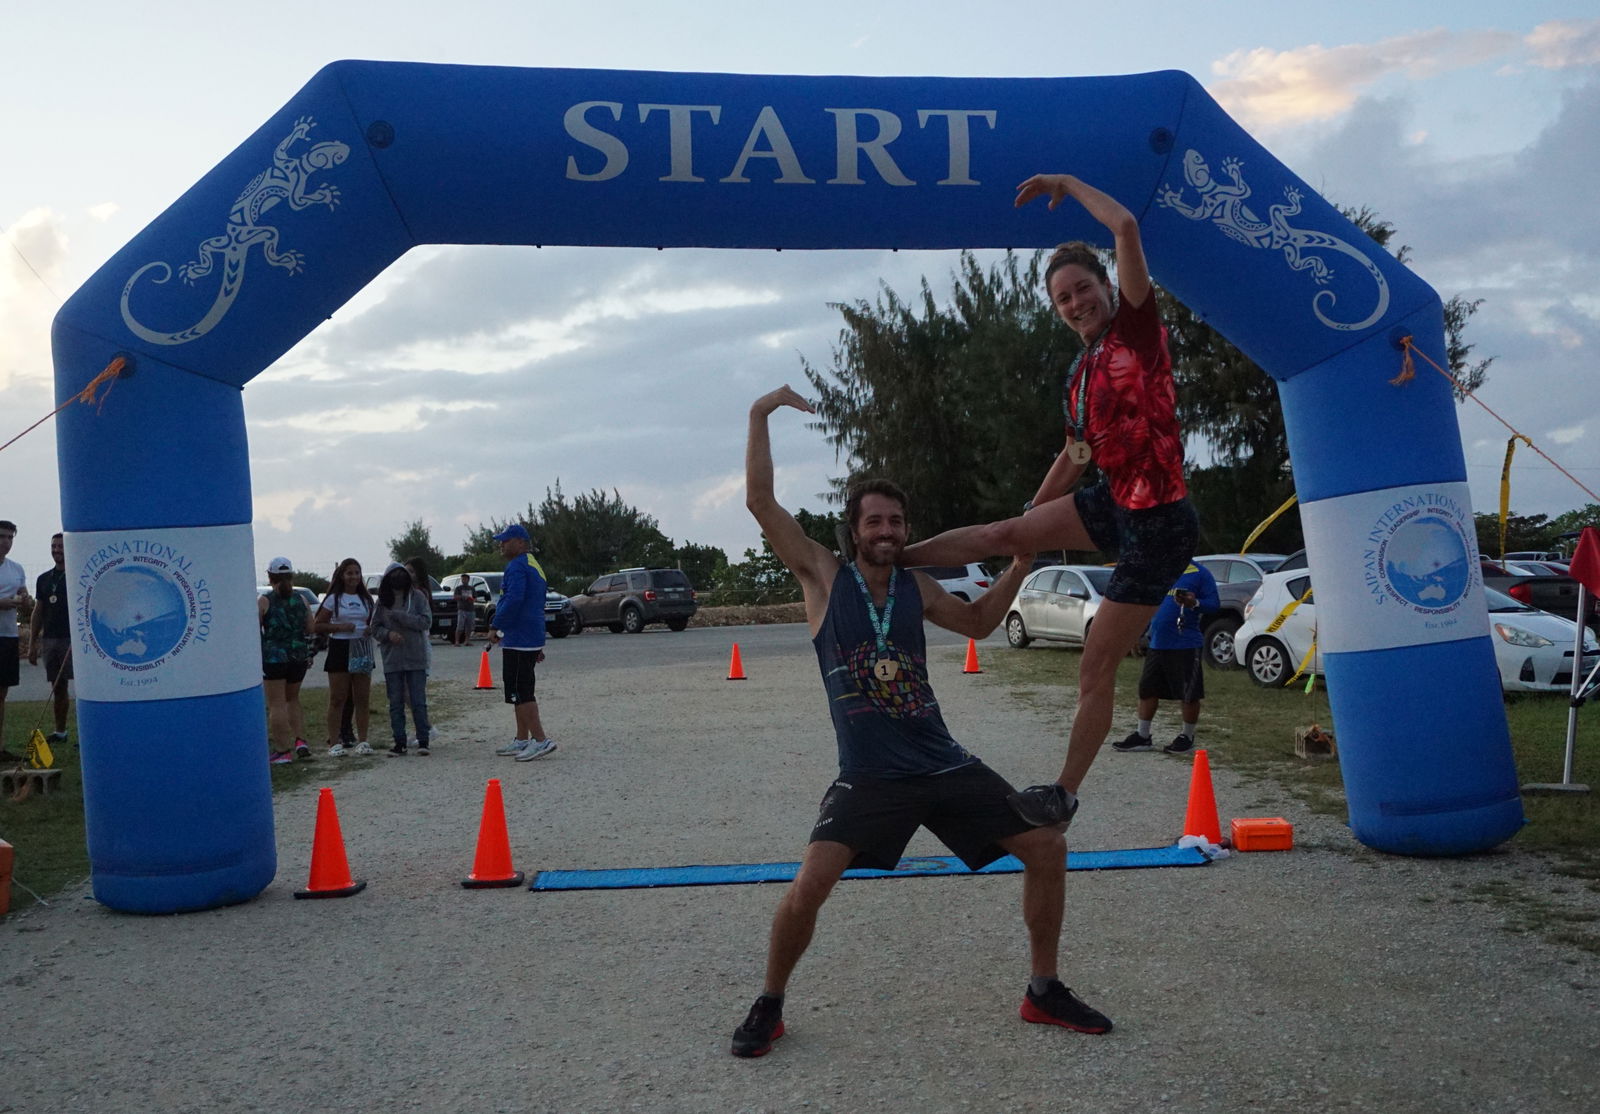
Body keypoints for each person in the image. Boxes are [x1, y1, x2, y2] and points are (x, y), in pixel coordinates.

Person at [730, 385, 1111, 1060]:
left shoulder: (917, 587)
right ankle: (770, 1001)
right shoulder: (822, 576)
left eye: (896, 522)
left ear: (908, 530)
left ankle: (1043, 989)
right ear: (854, 530)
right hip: (870, 777)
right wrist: (761, 414)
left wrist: (1020, 563)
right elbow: (761, 501)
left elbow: (981, 623)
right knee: (809, 885)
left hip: (942, 764)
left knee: (1047, 846)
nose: (886, 531)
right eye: (874, 521)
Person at [901, 173, 1198, 828]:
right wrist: (1029, 526)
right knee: (1001, 532)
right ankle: (893, 558)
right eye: (1063, 298)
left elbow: (1124, 228)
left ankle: (1061, 795)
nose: (1075, 302)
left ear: (1105, 287)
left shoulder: (1137, 331)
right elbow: (1074, 456)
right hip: (1115, 498)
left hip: (1161, 522)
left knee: (1095, 664)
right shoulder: (1079, 374)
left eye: (1083, 289)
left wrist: (1068, 184)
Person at [1116, 561, 1219, 754]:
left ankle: (1187, 737)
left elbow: (1214, 604)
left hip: (1185, 643)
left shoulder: (1200, 573)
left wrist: (1193, 603)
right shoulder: (1159, 570)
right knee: (1147, 690)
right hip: (1157, 643)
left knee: (1189, 693)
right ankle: (1142, 735)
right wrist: (1137, 632)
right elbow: (1147, 606)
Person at [487, 524, 556, 762]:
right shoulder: (533, 564)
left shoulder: (516, 566)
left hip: (519, 637)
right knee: (519, 691)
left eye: (505, 541)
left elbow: (513, 598)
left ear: (520, 542)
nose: (501, 544)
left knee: (522, 691)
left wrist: (496, 625)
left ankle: (540, 740)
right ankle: (522, 739)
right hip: (531, 634)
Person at [315, 557, 376, 756]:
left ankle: (363, 741)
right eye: (349, 573)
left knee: (362, 697)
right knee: (338, 697)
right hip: (340, 646)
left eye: (357, 573)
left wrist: (369, 630)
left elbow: (373, 621)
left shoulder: (366, 599)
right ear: (342, 575)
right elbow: (318, 624)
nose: (354, 577)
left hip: (361, 646)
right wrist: (340, 627)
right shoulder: (334, 599)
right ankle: (334, 742)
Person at [371, 562, 433, 756]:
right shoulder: (382, 602)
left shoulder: (418, 597)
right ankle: (399, 742)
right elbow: (375, 628)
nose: (398, 577)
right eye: (394, 574)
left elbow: (425, 621)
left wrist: (400, 617)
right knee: (395, 702)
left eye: (402, 574)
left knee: (418, 701)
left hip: (416, 657)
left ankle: (423, 740)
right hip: (392, 659)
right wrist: (388, 634)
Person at [259, 557, 315, 764]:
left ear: (270, 576)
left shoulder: (265, 600)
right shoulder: (301, 599)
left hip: (274, 658)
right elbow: (311, 627)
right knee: (293, 699)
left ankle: (283, 750)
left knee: (276, 704)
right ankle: (301, 740)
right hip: (298, 656)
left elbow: (256, 630)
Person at [26, 531, 73, 746]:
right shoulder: (44, 579)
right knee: (58, 687)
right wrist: (32, 642)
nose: (57, 550)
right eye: (54, 546)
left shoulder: (78, 575)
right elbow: (38, 611)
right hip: (51, 640)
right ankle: (60, 732)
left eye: (61, 546)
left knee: (84, 688)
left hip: (73, 640)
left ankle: (88, 733)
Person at [0, 520, 27, 757]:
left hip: (8, 635)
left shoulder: (16, 569)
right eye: (2, 536)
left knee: (2, 693)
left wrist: (25, 600)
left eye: (10, 537)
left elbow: (24, 596)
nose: (6, 542)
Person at [452, 578, 476, 645]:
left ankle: (467, 641)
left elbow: (475, 597)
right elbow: (454, 597)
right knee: (460, 626)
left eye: (465, 579)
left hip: (471, 609)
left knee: (469, 626)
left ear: (468, 580)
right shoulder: (458, 588)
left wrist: (472, 599)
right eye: (463, 579)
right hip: (462, 609)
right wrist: (462, 597)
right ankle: (457, 641)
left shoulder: (471, 588)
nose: (464, 580)